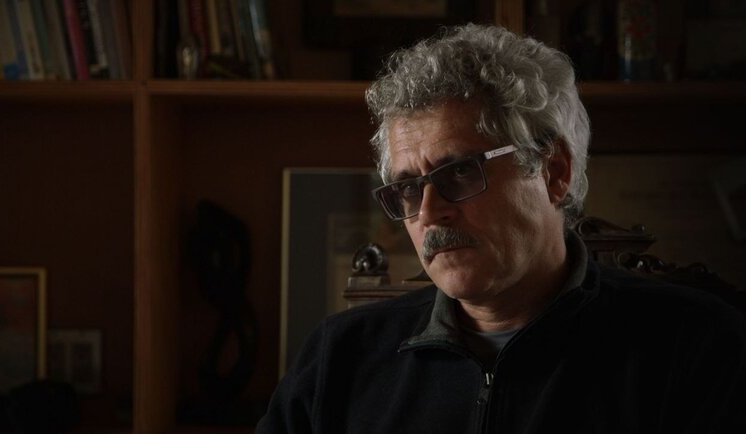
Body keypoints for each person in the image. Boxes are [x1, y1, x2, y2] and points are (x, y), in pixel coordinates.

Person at [257, 24, 746, 433]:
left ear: (554, 172)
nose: (428, 213)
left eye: (459, 173)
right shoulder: (340, 356)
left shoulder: (696, 346)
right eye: (408, 188)